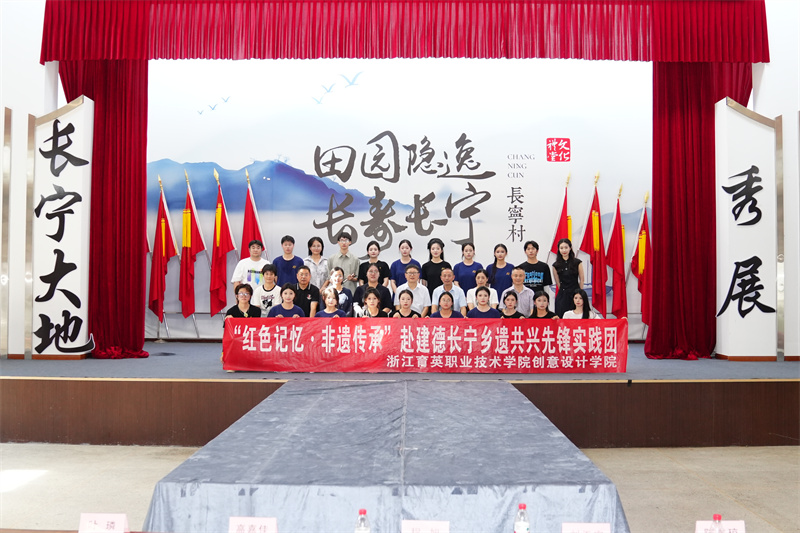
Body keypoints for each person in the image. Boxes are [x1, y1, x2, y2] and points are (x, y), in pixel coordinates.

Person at [552, 238, 585, 318]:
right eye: (561, 248)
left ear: (570, 248)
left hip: (575, 294)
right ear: (558, 249)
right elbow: (558, 282)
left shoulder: (577, 262)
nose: (564, 250)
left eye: (566, 247)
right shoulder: (555, 265)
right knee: (561, 317)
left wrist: (579, 294)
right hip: (563, 295)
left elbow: (582, 279)